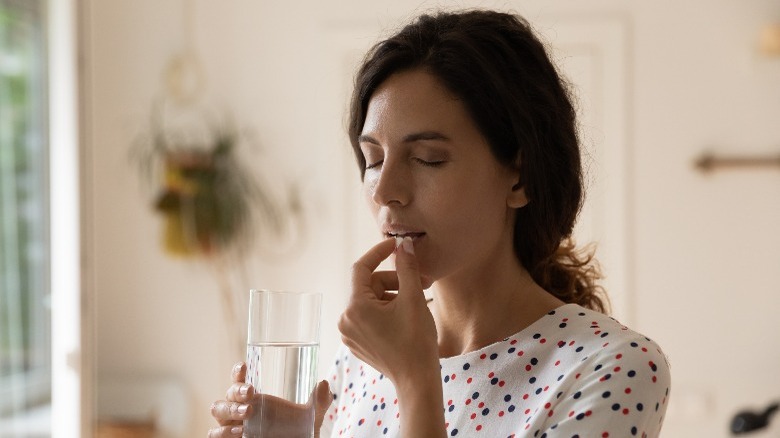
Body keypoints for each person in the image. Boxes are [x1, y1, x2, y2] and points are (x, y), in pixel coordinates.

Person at [209, 9, 670, 438]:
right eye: (372, 159)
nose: (386, 190)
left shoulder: (612, 366)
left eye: (427, 159)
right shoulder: (361, 362)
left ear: (520, 177)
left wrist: (415, 380)